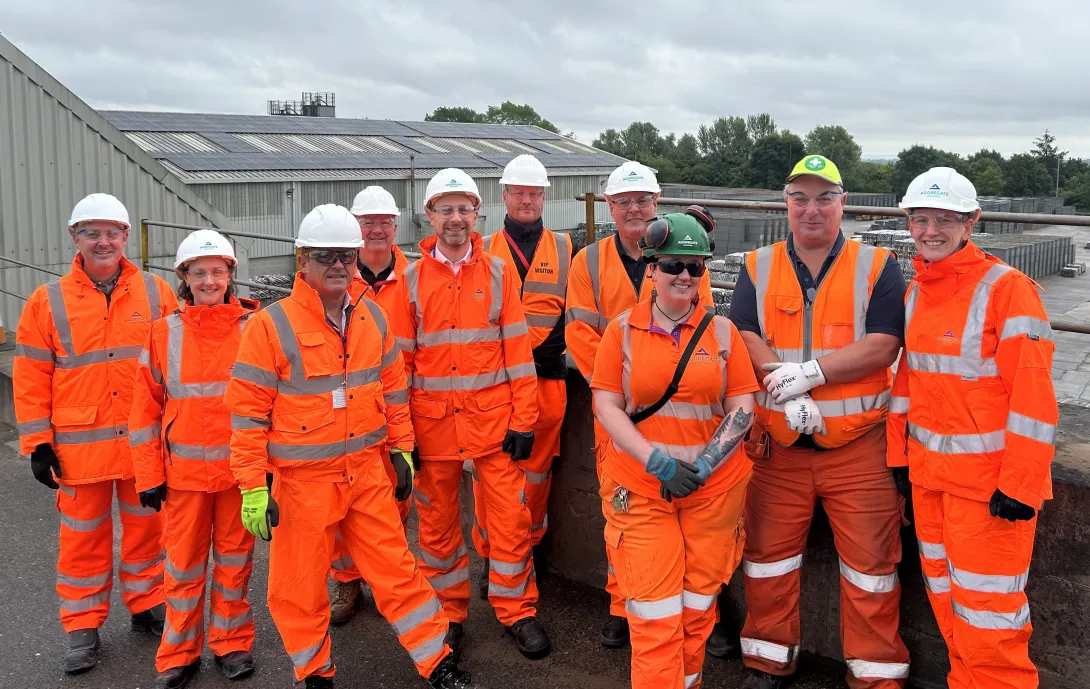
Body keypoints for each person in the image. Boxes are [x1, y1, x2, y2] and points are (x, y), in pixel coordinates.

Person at [224, 204, 480, 689]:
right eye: (326, 256)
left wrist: (402, 451)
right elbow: (247, 416)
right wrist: (253, 487)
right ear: (302, 261)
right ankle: (316, 674)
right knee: (298, 590)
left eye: (346, 256)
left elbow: (393, 394)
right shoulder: (268, 327)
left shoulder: (373, 321)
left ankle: (438, 664)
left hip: (365, 476)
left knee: (399, 574)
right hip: (302, 486)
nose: (339, 265)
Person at [729, 155, 911, 689]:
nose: (812, 209)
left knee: (872, 569)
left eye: (824, 198)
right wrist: (779, 386)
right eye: (800, 198)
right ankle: (767, 660)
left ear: (843, 203)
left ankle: (875, 675)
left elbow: (883, 344)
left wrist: (808, 374)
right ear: (786, 203)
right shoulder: (757, 265)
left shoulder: (877, 265)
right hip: (779, 446)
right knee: (767, 562)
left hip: (859, 450)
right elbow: (743, 332)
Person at [888, 167, 1056, 689]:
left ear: (972, 221)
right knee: (949, 606)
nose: (930, 230)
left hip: (989, 494)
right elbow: (908, 384)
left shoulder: (1008, 291)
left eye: (944, 219)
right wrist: (900, 462)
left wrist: (1020, 486)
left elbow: (1033, 399)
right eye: (921, 219)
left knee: (990, 621)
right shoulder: (919, 290)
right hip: (931, 484)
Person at [389, 168, 550, 660]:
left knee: (510, 523)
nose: (456, 218)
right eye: (446, 208)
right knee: (436, 531)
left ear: (477, 212)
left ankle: (517, 611)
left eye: (464, 208)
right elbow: (399, 365)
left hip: (494, 425)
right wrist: (401, 436)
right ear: (430, 214)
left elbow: (519, 357)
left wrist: (525, 421)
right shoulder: (410, 280)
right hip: (431, 428)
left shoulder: (499, 273)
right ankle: (447, 616)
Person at [592, 213, 757, 689]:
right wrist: (657, 462)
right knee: (654, 616)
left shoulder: (722, 333)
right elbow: (607, 404)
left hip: (713, 493)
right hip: (642, 490)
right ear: (652, 269)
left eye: (695, 267)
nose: (685, 276)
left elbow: (742, 406)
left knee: (696, 613)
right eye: (673, 266)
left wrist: (706, 463)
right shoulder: (621, 331)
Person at [14, 193, 176, 674]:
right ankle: (82, 622)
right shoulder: (48, 301)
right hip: (78, 449)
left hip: (141, 446)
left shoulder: (156, 292)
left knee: (149, 529)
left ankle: (147, 602)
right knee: (83, 539)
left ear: (126, 236)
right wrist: (38, 443)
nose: (103, 242)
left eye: (112, 232)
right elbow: (30, 375)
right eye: (92, 232)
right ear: (74, 238)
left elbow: (174, 366)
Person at [565, 161, 714, 649]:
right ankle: (620, 604)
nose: (633, 208)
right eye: (623, 201)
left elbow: (702, 327)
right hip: (617, 412)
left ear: (656, 202)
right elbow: (578, 332)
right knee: (621, 511)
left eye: (642, 200)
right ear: (609, 207)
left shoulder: (684, 255)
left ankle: (696, 608)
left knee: (690, 513)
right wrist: (619, 390)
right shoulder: (588, 261)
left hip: (677, 410)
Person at [129, 230, 259, 689]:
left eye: (217, 272)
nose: (209, 281)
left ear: (230, 276)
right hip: (182, 478)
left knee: (234, 564)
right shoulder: (164, 332)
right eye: (199, 273)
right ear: (184, 277)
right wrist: (147, 474)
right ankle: (179, 654)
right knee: (182, 569)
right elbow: (144, 409)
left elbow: (270, 403)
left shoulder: (253, 329)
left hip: (237, 476)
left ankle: (232, 644)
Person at [474, 154, 571, 598]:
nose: (527, 200)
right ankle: (493, 554)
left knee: (537, 474)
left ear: (544, 196)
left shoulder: (567, 248)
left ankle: (526, 553)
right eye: (519, 192)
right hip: (495, 385)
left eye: (535, 193)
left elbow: (579, 309)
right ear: (505, 196)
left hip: (547, 381)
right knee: (487, 476)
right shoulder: (483, 248)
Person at [326, 185, 414, 626]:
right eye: (368, 223)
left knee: (394, 502)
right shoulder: (336, 276)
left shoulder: (413, 277)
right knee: (341, 501)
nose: (377, 230)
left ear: (395, 227)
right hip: (345, 413)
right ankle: (347, 582)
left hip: (398, 408)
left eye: (383, 222)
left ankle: (386, 583)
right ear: (356, 229)